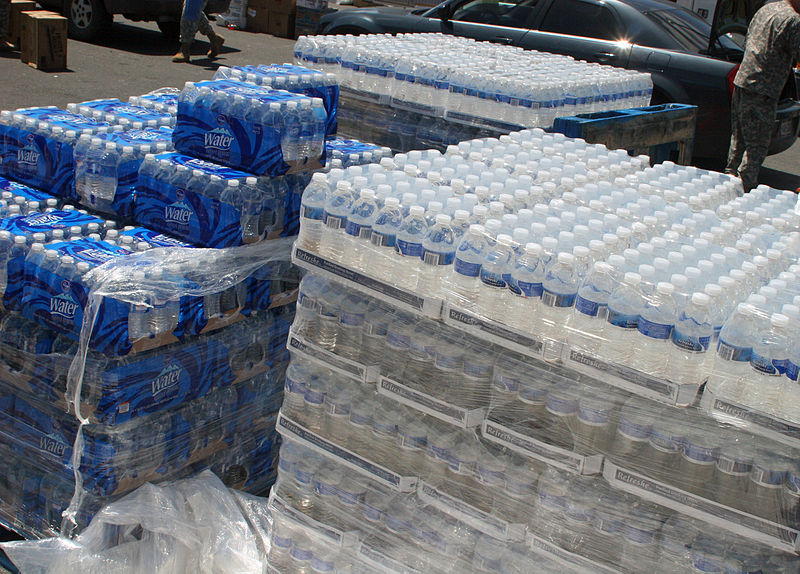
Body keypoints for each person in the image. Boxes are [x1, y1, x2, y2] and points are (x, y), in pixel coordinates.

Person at [725, 0, 800, 192]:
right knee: (756, 147)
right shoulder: (793, 20)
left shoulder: (767, 9)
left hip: (743, 79)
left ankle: (727, 185)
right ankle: (745, 191)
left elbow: (749, 37)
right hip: (763, 89)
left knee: (739, 140)